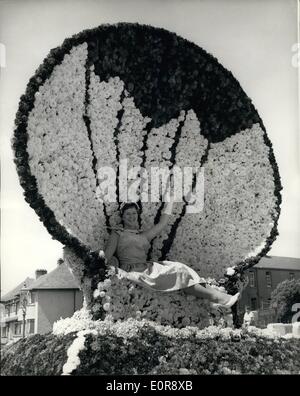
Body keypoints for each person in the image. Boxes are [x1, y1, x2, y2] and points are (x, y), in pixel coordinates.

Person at [103, 198, 240, 310]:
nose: (131, 217)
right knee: (179, 272)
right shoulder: (117, 234)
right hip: (134, 271)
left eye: (134, 213)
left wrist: (170, 201)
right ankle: (219, 298)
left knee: (181, 268)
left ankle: (219, 297)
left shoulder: (144, 235)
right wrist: (111, 269)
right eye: (128, 214)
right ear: (122, 217)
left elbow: (163, 223)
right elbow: (107, 255)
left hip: (148, 267)